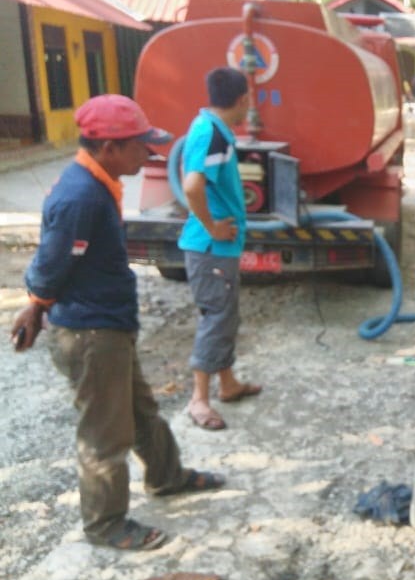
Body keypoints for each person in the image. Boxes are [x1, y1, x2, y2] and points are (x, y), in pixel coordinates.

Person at [10, 94, 225, 551]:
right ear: (108, 148)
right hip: (91, 333)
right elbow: (52, 262)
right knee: (105, 434)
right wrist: (36, 304)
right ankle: (105, 524)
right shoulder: (80, 197)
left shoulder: (97, 182)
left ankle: (166, 476)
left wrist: (39, 303)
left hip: (108, 325)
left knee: (142, 410)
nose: (147, 154)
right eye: (138, 146)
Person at [179, 67, 262, 431]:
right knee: (216, 316)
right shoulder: (211, 134)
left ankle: (227, 384)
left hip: (218, 248)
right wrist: (212, 226)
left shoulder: (212, 129)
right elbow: (193, 186)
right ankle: (199, 400)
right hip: (210, 246)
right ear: (243, 99)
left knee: (225, 313)